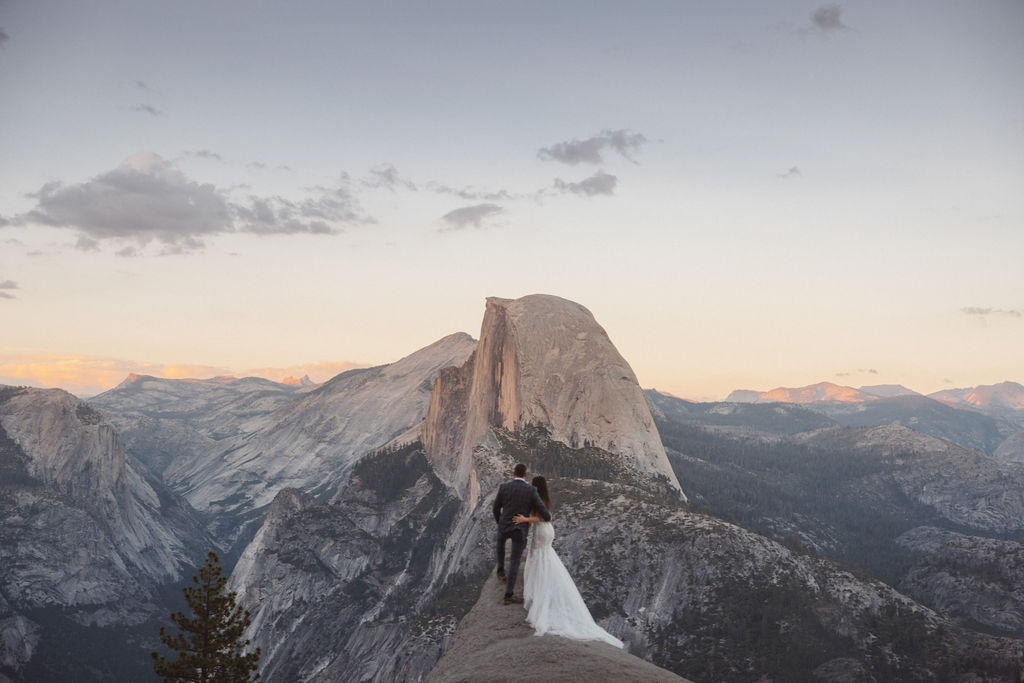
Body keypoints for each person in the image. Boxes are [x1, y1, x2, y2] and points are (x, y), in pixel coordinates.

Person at [512, 476, 624, 648]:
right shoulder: (544, 497)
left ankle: (539, 591)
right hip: (548, 531)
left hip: (542, 530)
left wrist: (524, 520)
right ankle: (543, 586)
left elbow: (542, 516)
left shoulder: (537, 498)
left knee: (538, 557)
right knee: (545, 557)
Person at [492, 463, 551, 605]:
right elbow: (546, 515)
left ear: (514, 473)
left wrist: (500, 522)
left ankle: (500, 569)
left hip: (504, 525)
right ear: (525, 475)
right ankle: (508, 594)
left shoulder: (504, 487)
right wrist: (527, 520)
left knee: (500, 543)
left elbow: (495, 508)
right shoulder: (531, 490)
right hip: (520, 529)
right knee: (515, 560)